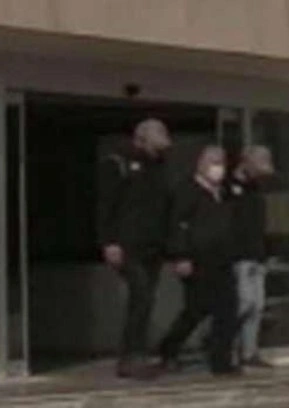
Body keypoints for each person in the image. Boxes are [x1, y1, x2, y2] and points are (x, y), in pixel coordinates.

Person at [97, 118, 172, 379]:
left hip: (153, 245)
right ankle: (130, 357)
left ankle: (137, 355)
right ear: (142, 137)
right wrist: (109, 242)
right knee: (141, 296)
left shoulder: (159, 167)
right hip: (128, 244)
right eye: (158, 135)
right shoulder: (119, 163)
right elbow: (106, 204)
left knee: (146, 300)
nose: (163, 141)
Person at [158, 145, 241, 375]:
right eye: (213, 162)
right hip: (197, 260)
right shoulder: (187, 191)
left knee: (227, 311)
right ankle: (168, 348)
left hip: (222, 259)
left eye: (221, 163)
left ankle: (221, 362)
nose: (218, 168)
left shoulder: (222, 193)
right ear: (201, 164)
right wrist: (181, 256)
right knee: (196, 309)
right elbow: (177, 225)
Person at [228, 145, 275, 367]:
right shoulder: (231, 188)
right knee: (243, 303)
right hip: (239, 255)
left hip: (257, 255)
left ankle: (249, 351)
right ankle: (227, 346)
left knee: (257, 306)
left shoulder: (256, 190)